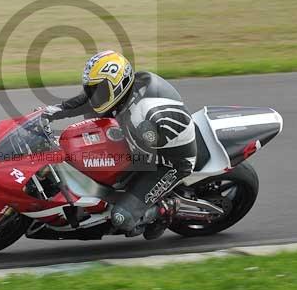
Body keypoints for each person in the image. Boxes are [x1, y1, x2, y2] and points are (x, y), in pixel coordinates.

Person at [42, 50, 198, 238]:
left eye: (99, 90)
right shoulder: (124, 90)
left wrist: (140, 134)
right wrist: (52, 111)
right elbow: (86, 101)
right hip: (140, 147)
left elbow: (149, 147)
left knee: (121, 218)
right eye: (93, 89)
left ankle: (164, 211)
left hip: (167, 163)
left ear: (118, 86)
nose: (94, 96)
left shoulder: (145, 113)